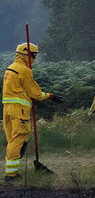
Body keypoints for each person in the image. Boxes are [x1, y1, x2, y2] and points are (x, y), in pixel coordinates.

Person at [3, 43, 63, 180]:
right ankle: (11, 175)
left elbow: (18, 90)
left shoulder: (10, 68)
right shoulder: (25, 70)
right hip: (19, 110)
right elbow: (35, 93)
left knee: (13, 139)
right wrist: (50, 96)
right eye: (34, 54)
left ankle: (12, 171)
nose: (35, 57)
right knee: (19, 137)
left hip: (7, 109)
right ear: (27, 54)